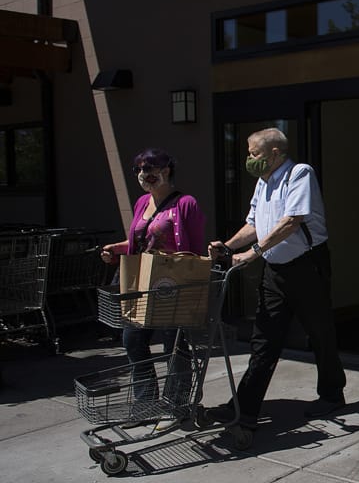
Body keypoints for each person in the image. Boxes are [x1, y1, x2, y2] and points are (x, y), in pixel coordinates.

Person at [207, 127, 346, 429]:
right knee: (264, 339)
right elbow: (254, 224)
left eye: (254, 153)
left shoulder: (299, 174)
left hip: (307, 266)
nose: (249, 158)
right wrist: (228, 247)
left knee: (320, 332)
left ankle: (332, 394)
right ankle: (244, 410)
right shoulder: (263, 182)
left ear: (274, 153)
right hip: (276, 270)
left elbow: (291, 222)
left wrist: (252, 253)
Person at [100, 148, 206, 427]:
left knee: (175, 346)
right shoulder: (141, 203)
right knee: (132, 340)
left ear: (166, 170)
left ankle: (176, 406)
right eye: (139, 170)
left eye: (150, 169)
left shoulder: (185, 204)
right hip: (144, 284)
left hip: (173, 285)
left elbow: (194, 250)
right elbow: (139, 242)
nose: (144, 175)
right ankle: (146, 403)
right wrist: (117, 248)